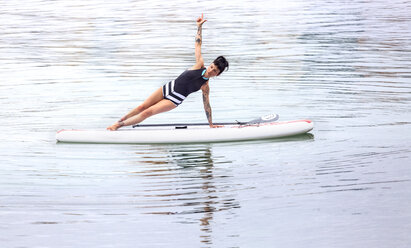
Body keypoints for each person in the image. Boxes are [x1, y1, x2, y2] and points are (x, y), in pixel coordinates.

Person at [107, 14, 229, 131]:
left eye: (215, 71)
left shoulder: (205, 86)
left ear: (217, 74)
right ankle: (118, 121)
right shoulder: (199, 64)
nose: (211, 70)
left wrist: (211, 124)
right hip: (168, 87)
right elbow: (198, 44)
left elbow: (207, 106)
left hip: (174, 99)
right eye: (212, 66)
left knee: (147, 112)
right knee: (142, 107)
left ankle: (118, 126)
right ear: (210, 64)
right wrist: (199, 27)